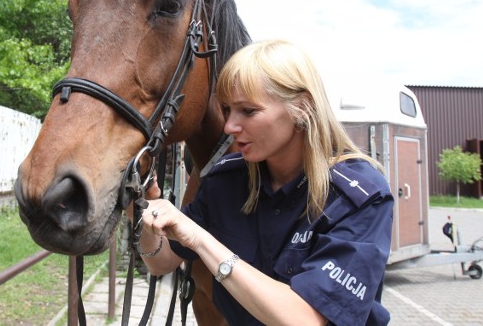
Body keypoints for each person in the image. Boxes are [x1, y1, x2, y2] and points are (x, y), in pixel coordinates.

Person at [138, 39, 394, 325]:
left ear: (303, 108)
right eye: (227, 110)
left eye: (248, 111)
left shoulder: (358, 197)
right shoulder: (226, 180)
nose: (229, 127)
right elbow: (160, 262)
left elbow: (306, 320)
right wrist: (143, 210)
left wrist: (201, 241)